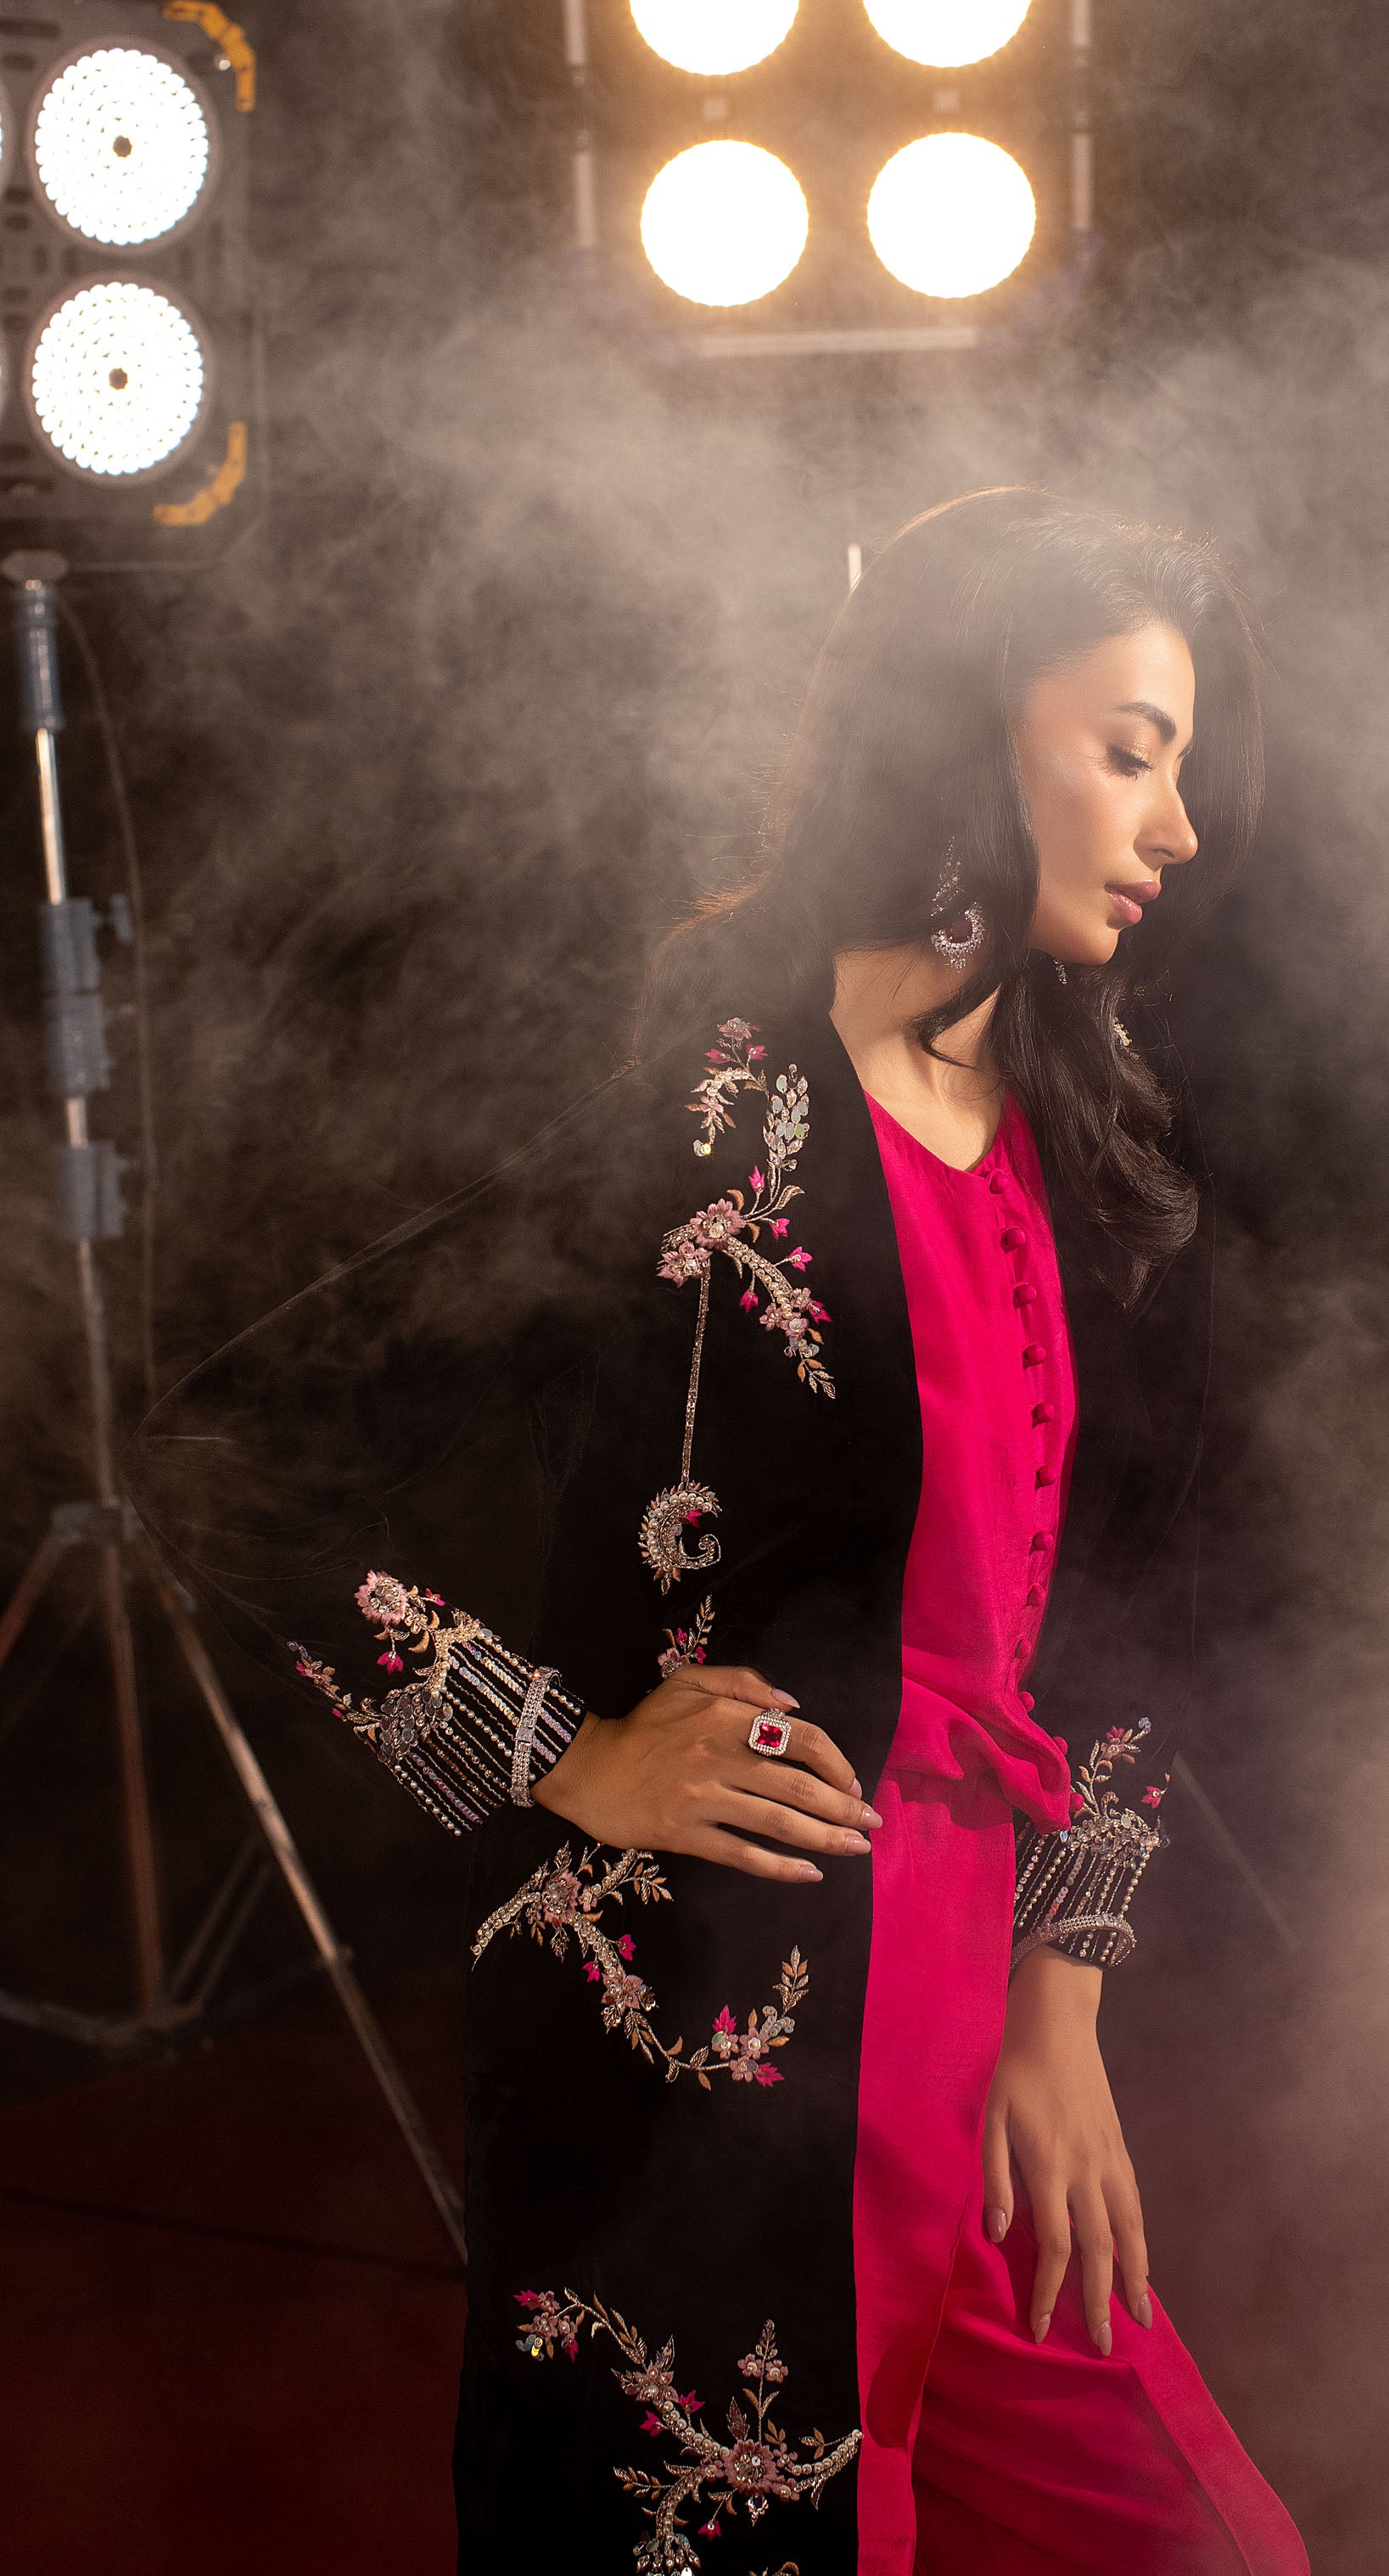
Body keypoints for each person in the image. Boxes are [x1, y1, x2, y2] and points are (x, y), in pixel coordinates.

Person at [130, 488, 1308, 2576]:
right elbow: (232, 1444)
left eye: (1183, 765)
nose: (1180, 824)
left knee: (1204, 2547)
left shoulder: (1101, 1132)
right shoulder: (708, 1097)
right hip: (717, 2011)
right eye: (1132, 750)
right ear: (968, 725)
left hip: (981, 2002)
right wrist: (561, 1748)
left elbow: (1141, 1594)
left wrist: (1061, 2006)